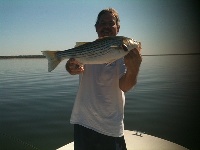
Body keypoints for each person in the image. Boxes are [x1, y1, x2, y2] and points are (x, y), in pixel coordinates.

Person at [65, 8, 142, 150]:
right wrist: (70, 67)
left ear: (118, 28)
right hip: (83, 122)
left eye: (111, 23)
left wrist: (134, 68)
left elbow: (125, 86)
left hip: (110, 126)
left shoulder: (123, 55)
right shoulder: (87, 49)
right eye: (102, 23)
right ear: (96, 27)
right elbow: (72, 65)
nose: (106, 26)